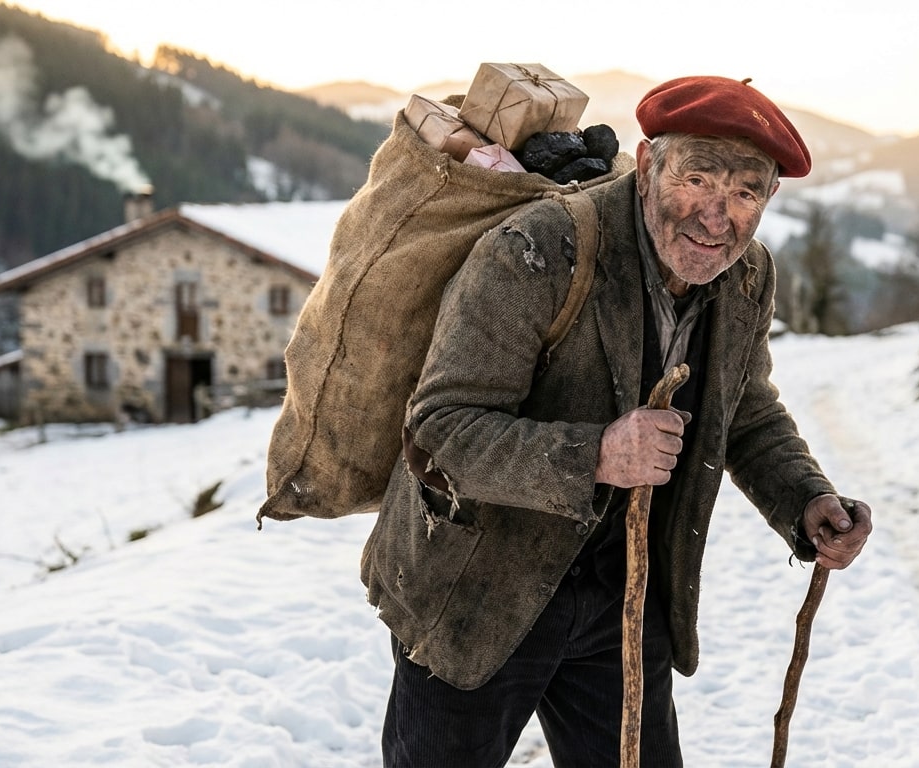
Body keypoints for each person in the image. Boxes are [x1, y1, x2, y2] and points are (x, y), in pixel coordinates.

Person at [359, 75, 873, 767]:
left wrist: (805, 500)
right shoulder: (538, 251)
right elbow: (442, 430)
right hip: (478, 589)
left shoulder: (747, 276)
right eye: (697, 179)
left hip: (623, 594)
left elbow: (743, 410)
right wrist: (597, 454)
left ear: (769, 199)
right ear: (649, 163)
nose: (717, 217)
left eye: (745, 193)